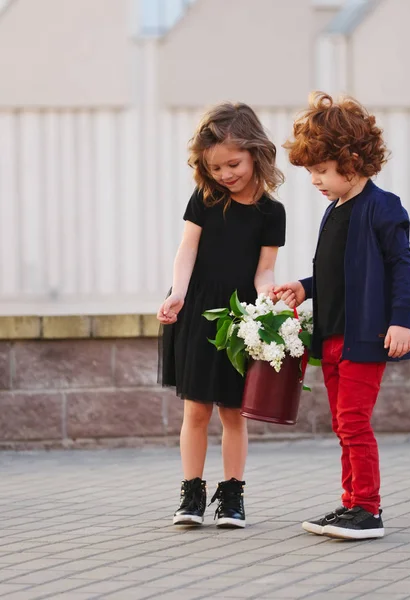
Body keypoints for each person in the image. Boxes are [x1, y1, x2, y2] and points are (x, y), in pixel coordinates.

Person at [275, 92, 410, 540]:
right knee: (343, 424)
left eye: (321, 170)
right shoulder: (333, 210)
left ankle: (369, 510)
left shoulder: (382, 207)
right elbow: (337, 274)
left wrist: (401, 320)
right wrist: (305, 287)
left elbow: (401, 268)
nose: (315, 180)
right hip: (332, 335)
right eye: (311, 172)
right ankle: (351, 502)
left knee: (354, 422)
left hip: (365, 335)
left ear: (351, 161)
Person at [158, 102, 286, 528]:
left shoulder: (272, 213)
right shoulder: (205, 199)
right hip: (198, 311)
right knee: (195, 410)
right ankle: (191, 492)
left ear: (256, 153)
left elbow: (264, 270)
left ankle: (232, 496)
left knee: (233, 412)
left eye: (234, 163)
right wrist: (178, 293)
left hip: (239, 320)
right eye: (216, 167)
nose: (226, 173)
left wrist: (268, 306)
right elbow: (187, 249)